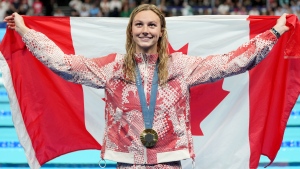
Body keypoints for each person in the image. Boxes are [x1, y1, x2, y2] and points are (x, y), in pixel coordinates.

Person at [4, 4, 289, 169]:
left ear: (161, 31)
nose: (145, 30)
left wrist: (274, 32)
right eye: (139, 24)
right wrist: (26, 31)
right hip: (126, 160)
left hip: (169, 160)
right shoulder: (112, 68)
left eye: (152, 25)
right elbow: (63, 64)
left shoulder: (180, 66)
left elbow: (231, 63)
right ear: (131, 31)